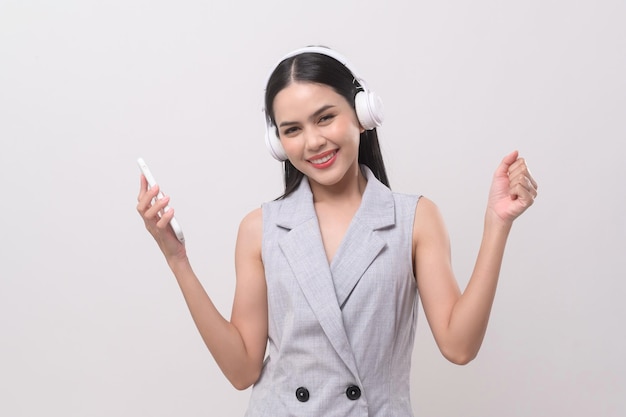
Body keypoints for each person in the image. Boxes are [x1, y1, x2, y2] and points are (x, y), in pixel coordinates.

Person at [136, 46, 538, 417]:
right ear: (278, 143)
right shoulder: (262, 229)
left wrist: (497, 224)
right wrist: (178, 260)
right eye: (292, 129)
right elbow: (242, 370)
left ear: (363, 114)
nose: (313, 141)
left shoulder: (413, 218)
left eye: (325, 117)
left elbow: (459, 345)